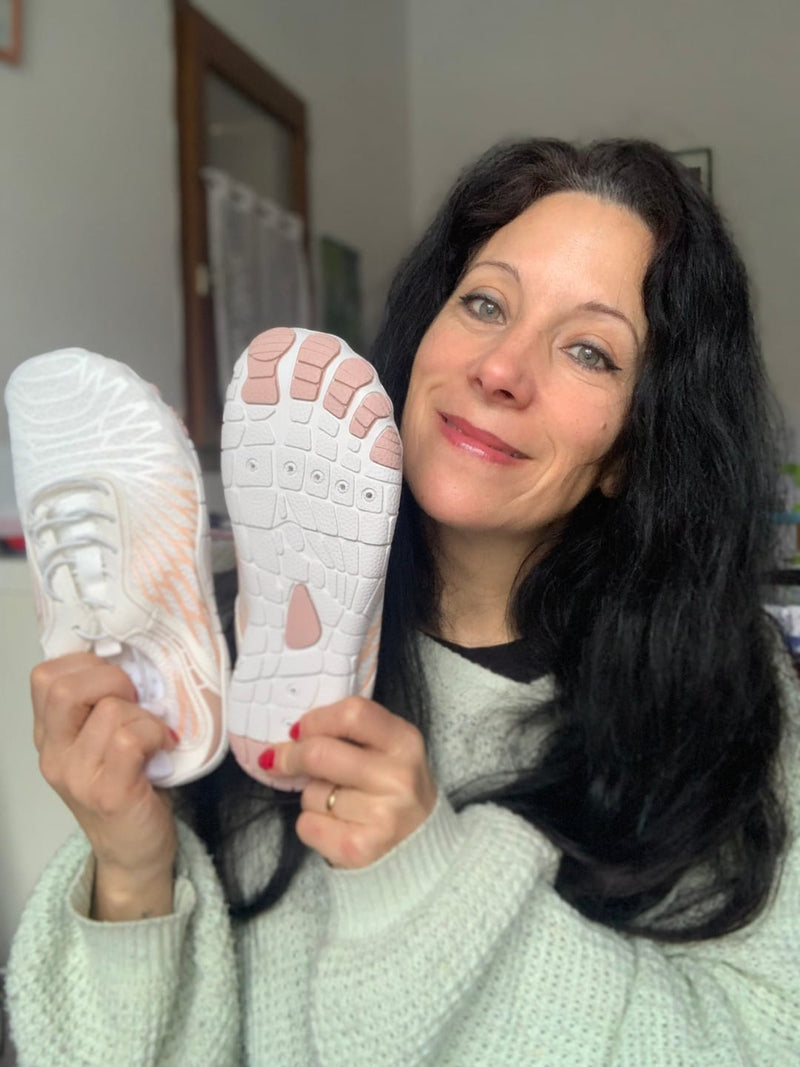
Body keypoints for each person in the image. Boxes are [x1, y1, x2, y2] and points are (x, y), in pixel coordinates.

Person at [7, 138, 799, 1065]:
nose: (501, 367)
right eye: (485, 303)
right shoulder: (219, 659)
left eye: (589, 350)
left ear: (632, 448)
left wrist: (430, 885)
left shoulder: (730, 699)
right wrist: (131, 866)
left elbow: (756, 1041)